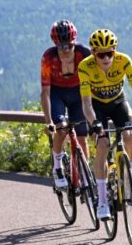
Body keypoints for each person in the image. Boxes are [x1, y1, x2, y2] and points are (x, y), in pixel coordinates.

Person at [79, 28, 132, 221]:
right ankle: (101, 201)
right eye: (101, 54)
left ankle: (127, 175)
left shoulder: (124, 61)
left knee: (130, 136)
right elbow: (86, 103)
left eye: (110, 52)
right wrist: (94, 123)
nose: (106, 57)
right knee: (102, 145)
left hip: (118, 102)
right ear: (93, 53)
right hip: (96, 106)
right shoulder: (85, 66)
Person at [40, 20, 92, 188]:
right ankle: (57, 167)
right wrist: (48, 121)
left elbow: (95, 82)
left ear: (74, 42)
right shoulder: (48, 58)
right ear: (55, 44)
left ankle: (84, 173)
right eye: (60, 46)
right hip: (57, 94)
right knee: (61, 129)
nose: (65, 50)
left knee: (82, 138)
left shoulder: (84, 53)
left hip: (78, 93)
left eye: (69, 46)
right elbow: (46, 93)